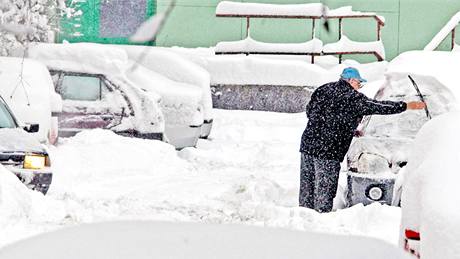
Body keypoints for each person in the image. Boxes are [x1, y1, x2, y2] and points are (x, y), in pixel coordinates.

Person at [299, 67, 426, 213]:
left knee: (307, 187)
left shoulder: (323, 89)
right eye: (359, 83)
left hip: (308, 145)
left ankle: (304, 215)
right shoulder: (353, 98)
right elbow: (379, 107)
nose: (359, 87)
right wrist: (406, 105)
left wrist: (347, 130)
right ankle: (321, 218)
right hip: (328, 150)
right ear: (352, 80)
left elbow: (311, 112)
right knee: (324, 190)